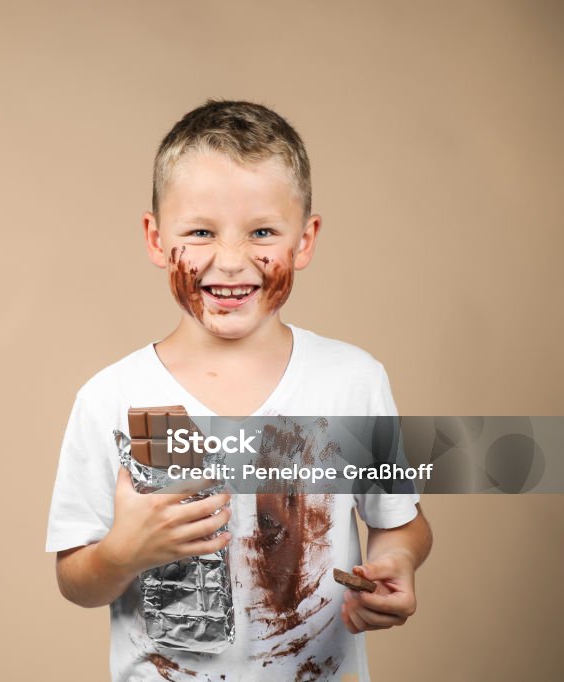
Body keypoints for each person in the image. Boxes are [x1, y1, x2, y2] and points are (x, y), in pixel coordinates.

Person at [45, 99, 433, 681]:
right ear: (155, 239)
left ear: (305, 240)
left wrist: (396, 561)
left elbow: (399, 520)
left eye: (263, 232)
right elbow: (75, 579)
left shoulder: (353, 382)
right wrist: (123, 553)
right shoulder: (109, 399)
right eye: (200, 231)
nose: (230, 261)